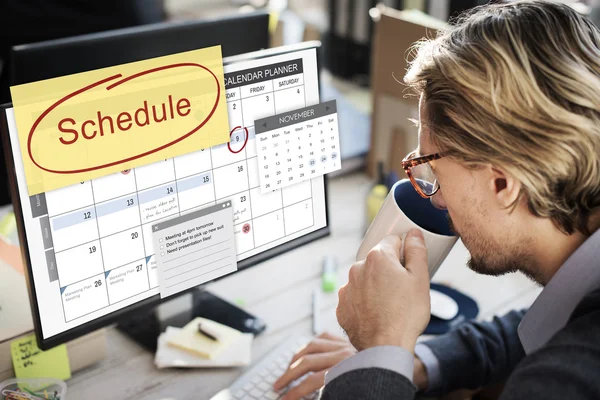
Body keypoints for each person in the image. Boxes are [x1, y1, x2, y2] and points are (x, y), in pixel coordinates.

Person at [273, 0, 600, 399]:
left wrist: (381, 347)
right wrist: (409, 362)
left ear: (503, 184)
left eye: (433, 170)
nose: (437, 200)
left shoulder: (568, 382)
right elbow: (539, 326)